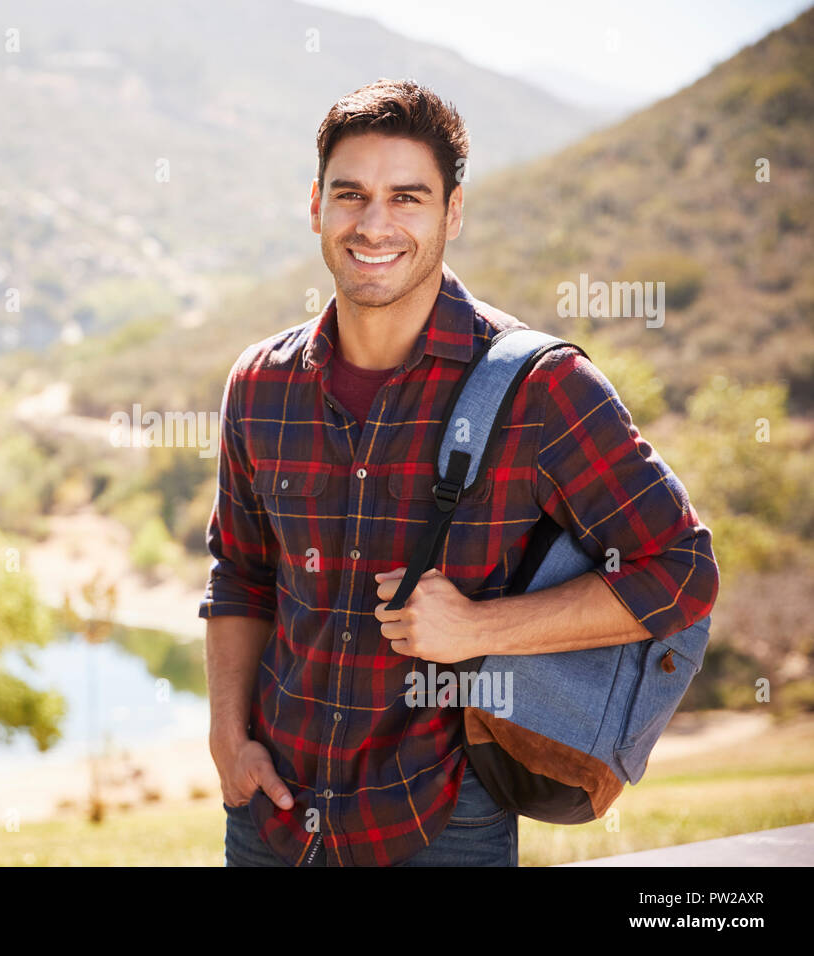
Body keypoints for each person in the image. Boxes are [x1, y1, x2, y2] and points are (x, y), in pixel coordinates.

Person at [199, 78, 720, 867]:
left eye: (408, 197)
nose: (375, 224)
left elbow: (681, 571)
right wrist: (228, 739)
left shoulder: (541, 388)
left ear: (453, 212)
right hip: (272, 814)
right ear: (316, 206)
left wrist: (479, 629)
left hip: (444, 822)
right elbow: (239, 573)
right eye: (351, 194)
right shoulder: (259, 383)